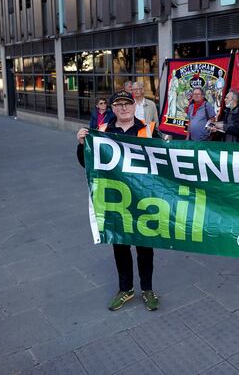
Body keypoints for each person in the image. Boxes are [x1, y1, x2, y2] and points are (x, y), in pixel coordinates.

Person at [76, 90, 161, 311]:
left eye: (127, 104)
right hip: (116, 200)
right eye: (118, 105)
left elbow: (166, 163)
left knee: (145, 248)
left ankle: (147, 289)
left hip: (144, 200)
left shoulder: (149, 130)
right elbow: (87, 163)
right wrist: (81, 144)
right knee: (120, 246)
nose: (123, 108)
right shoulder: (102, 131)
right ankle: (126, 289)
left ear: (134, 107)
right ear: (112, 109)